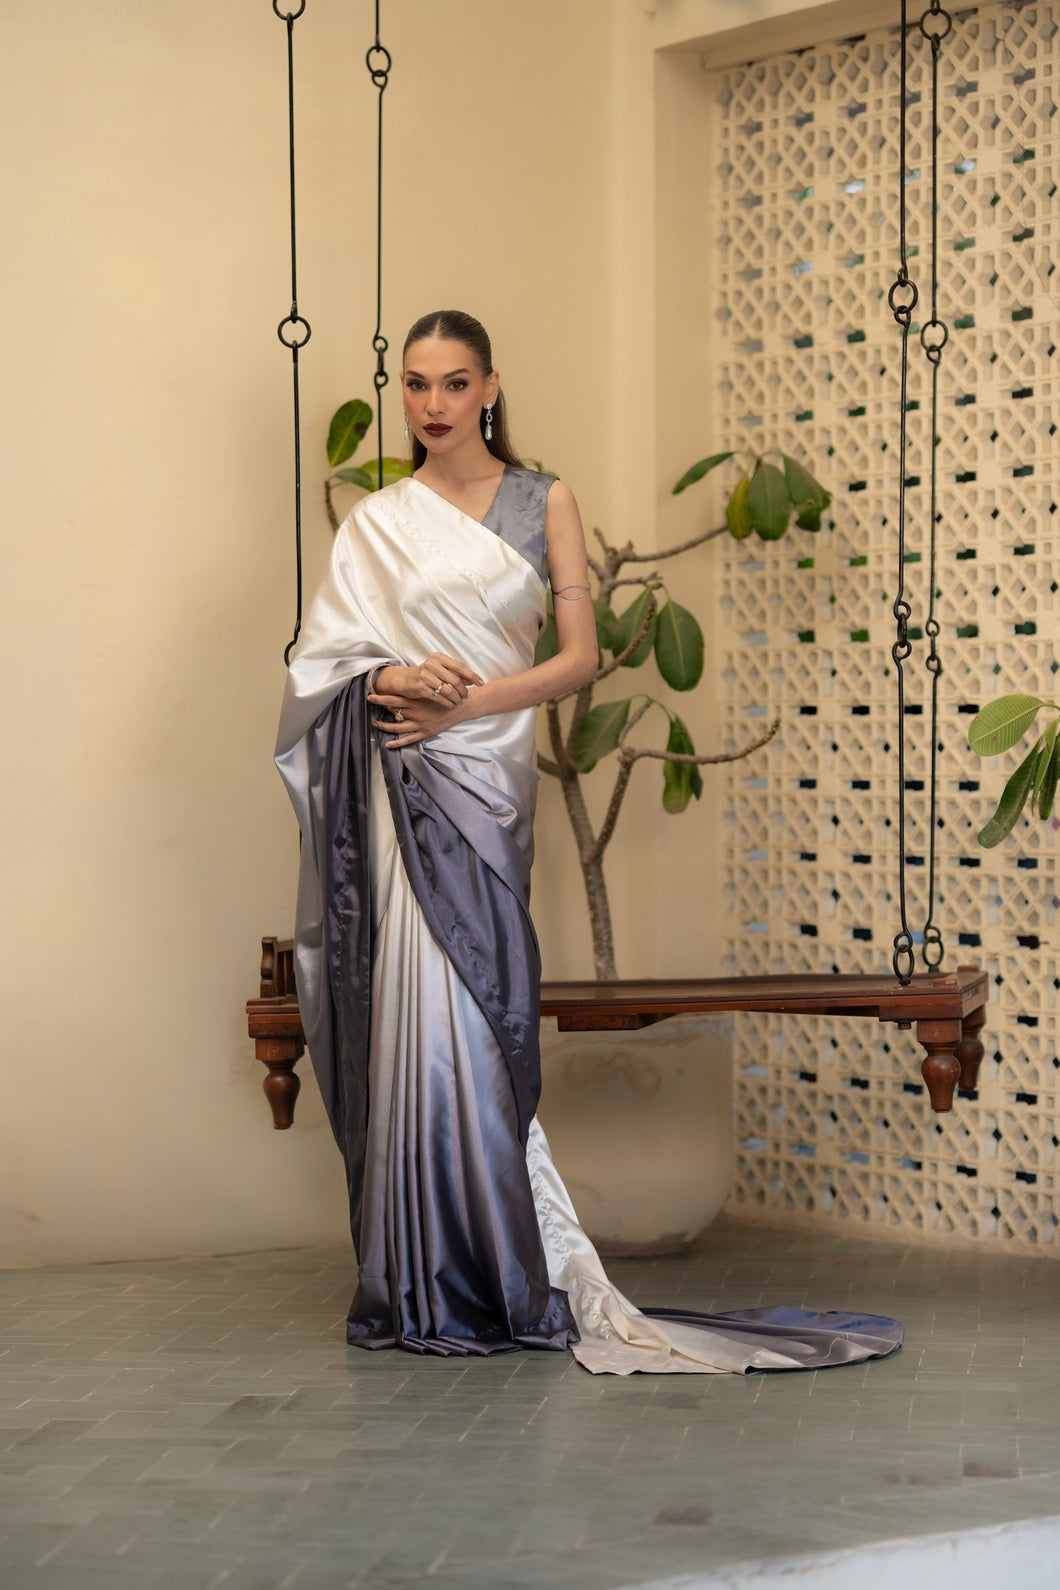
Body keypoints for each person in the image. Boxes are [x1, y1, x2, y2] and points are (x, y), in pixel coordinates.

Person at [275, 309, 902, 1374]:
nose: (433, 404)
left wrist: (466, 703)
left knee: (478, 1017)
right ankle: (422, 1276)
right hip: (402, 788)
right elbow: (319, 666)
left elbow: (579, 661)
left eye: (455, 382)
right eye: (417, 384)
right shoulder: (378, 520)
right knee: (415, 1019)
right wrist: (395, 678)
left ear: (490, 387)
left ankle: (494, 1268)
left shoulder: (544, 500)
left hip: (484, 781)